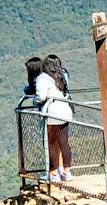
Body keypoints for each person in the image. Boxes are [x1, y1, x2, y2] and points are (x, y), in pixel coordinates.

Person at [31, 54, 74, 183]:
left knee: (50, 143)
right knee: (64, 142)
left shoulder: (43, 78)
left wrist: (35, 101)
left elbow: (41, 96)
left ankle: (54, 173)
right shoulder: (62, 75)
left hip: (52, 113)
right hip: (65, 111)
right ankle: (67, 172)